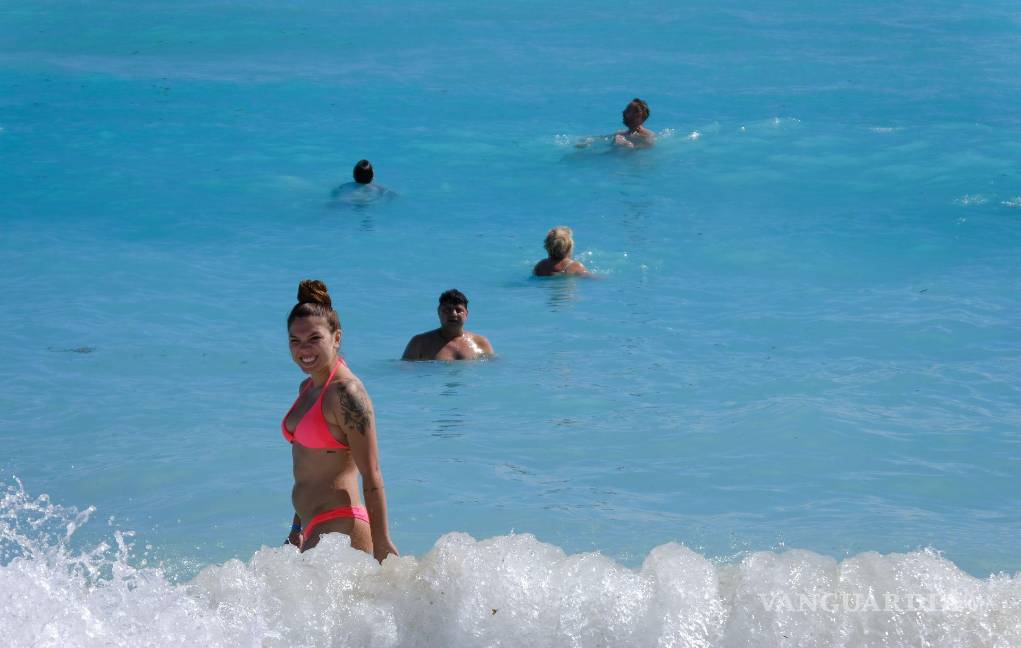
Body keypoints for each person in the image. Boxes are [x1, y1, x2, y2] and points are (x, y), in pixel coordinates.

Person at [281, 279, 398, 562]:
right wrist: (296, 528)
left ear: (336, 338)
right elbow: (309, 465)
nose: (304, 349)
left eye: (314, 339)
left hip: (340, 524)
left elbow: (372, 472)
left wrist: (382, 542)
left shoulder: (347, 393)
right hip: (311, 526)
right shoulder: (307, 388)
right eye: (295, 341)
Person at [401, 289, 495, 361]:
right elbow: (405, 372)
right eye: (448, 310)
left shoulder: (480, 343)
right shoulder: (420, 343)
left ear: (466, 313)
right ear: (439, 312)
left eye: (458, 310)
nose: (453, 314)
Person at [329, 159, 395, 204]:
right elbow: (392, 195)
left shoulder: (344, 186)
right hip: (369, 202)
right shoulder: (379, 188)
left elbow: (334, 194)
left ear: (354, 176)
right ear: (373, 176)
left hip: (347, 202)